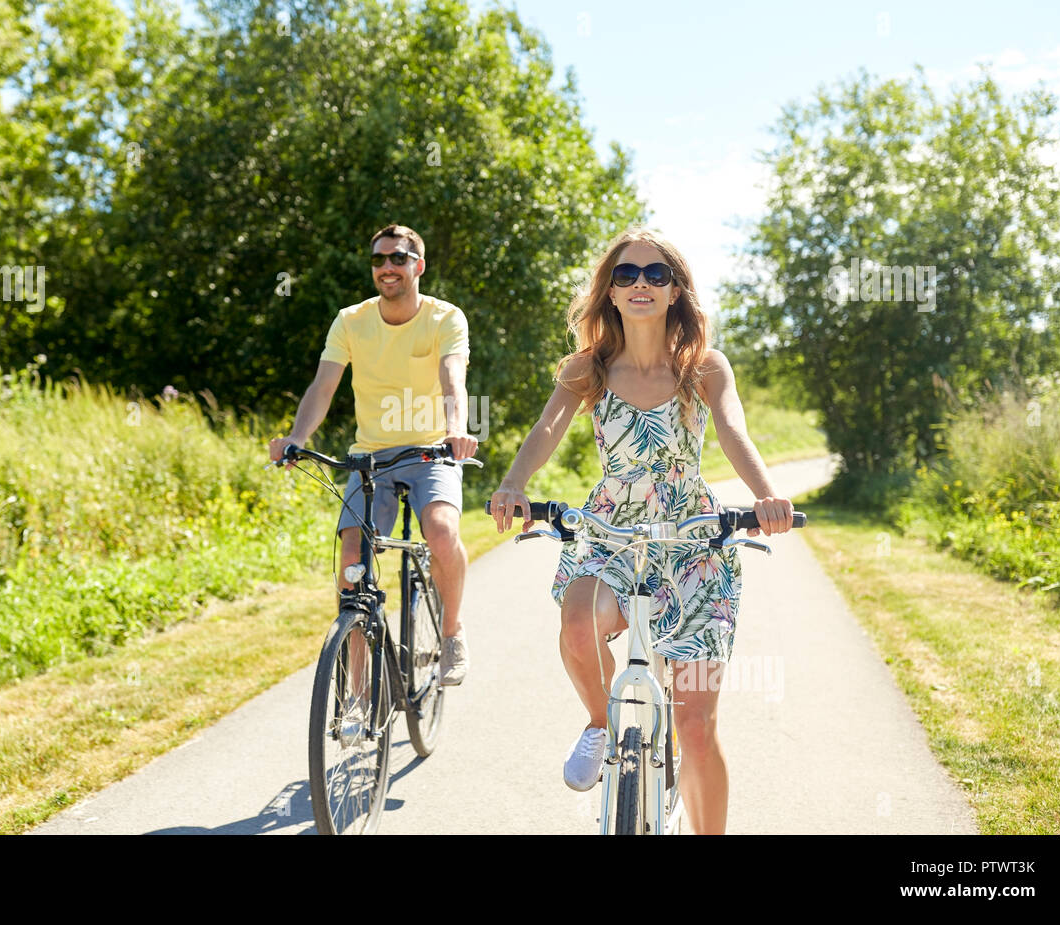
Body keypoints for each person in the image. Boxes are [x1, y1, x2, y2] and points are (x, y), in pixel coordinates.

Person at [488, 226, 794, 835]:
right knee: (578, 618)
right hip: (612, 533)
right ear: (610, 290)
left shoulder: (703, 366)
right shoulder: (588, 367)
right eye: (626, 275)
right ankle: (602, 726)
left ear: (676, 289)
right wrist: (513, 484)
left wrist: (765, 496)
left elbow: (733, 432)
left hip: (694, 543)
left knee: (696, 727)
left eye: (656, 274)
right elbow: (546, 431)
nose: (641, 285)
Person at [268, 224, 478, 685]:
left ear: (418, 266)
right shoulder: (351, 320)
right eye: (379, 260)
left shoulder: (445, 318)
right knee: (351, 563)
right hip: (371, 456)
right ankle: (357, 687)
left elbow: (452, 380)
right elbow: (323, 386)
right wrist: (297, 437)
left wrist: (456, 431)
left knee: (441, 532)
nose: (387, 267)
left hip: (430, 451)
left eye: (398, 258)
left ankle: (451, 632)